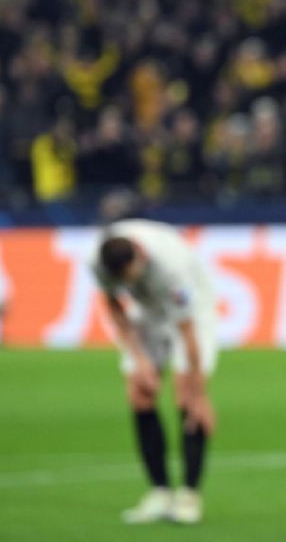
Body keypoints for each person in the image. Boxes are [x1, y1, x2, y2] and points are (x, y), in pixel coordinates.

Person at [91, 218, 218, 525]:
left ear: (140, 255)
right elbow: (114, 307)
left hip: (192, 311)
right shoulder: (98, 262)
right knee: (140, 393)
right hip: (147, 310)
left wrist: (200, 391)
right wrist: (140, 361)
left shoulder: (172, 267)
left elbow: (187, 331)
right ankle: (159, 492)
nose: (127, 281)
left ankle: (189, 496)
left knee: (186, 397)